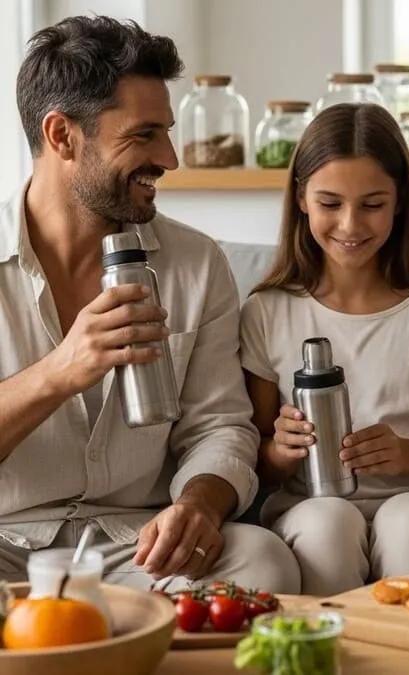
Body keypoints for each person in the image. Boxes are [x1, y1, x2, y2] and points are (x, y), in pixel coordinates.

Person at [0, 16, 301, 593]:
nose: (169, 157)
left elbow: (220, 426)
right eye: (144, 135)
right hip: (8, 544)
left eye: (167, 132)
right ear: (62, 136)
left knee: (262, 561)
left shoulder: (196, 262)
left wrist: (199, 504)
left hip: (138, 546)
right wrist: (59, 373)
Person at [239, 103, 409, 596]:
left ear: (400, 202)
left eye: (372, 205)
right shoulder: (267, 311)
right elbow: (250, 460)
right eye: (330, 203)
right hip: (311, 507)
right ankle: (332, 639)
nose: (350, 225)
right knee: (327, 524)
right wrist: (281, 453)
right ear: (301, 198)